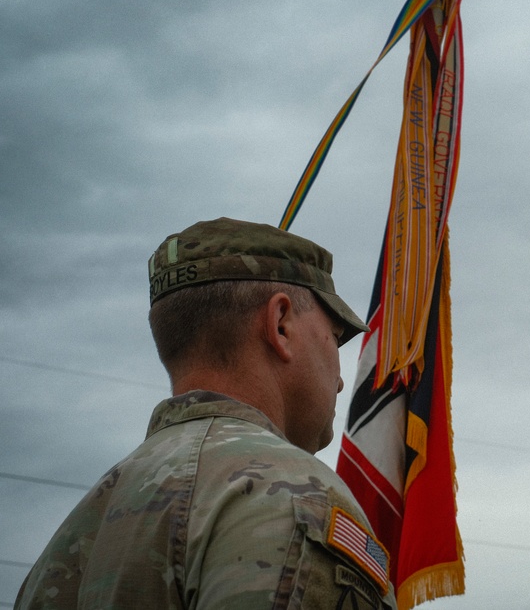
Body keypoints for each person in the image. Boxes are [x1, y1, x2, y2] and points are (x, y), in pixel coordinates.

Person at [15, 217, 396, 610]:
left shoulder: (67, 543)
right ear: (280, 324)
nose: (340, 380)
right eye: (335, 337)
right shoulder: (298, 498)